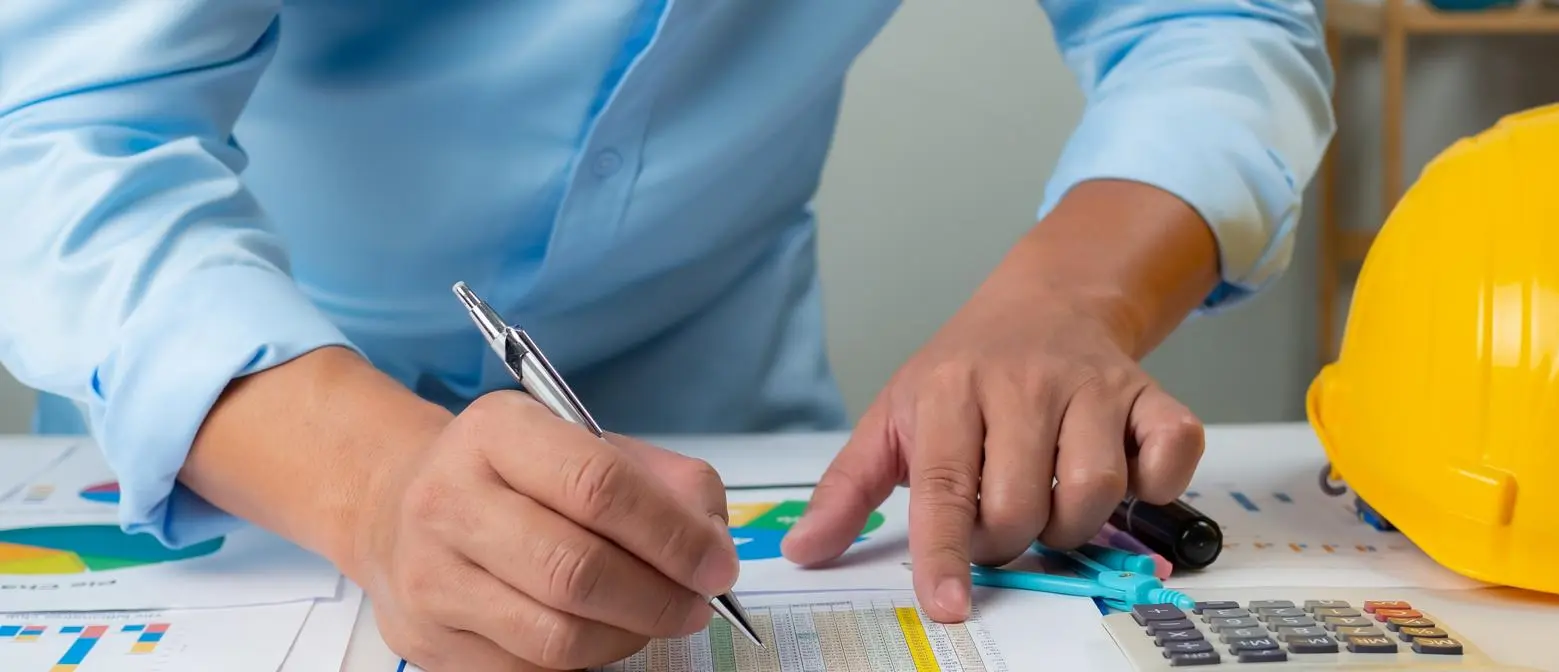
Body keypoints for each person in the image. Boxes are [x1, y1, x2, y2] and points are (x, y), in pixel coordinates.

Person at [0, 2, 1332, 670]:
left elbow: (1211, 23)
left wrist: (1071, 297)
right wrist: (363, 483)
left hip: (723, 409)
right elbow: (56, 134)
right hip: (224, 430)